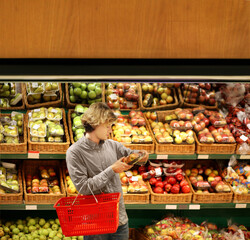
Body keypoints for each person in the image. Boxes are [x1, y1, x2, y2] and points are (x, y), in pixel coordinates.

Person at [66, 102, 149, 240]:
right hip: (95, 224)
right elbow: (84, 188)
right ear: (95, 123)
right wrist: (111, 170)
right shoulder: (75, 152)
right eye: (107, 126)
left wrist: (141, 156)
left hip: (119, 219)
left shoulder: (113, 145)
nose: (110, 130)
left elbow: (131, 155)